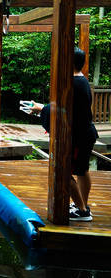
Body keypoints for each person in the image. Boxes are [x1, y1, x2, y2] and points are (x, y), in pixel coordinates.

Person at [30, 47, 98, 222]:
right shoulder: (82, 80)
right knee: (82, 170)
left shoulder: (71, 83)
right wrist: (44, 108)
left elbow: (59, 109)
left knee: (64, 170)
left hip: (77, 135)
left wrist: (41, 109)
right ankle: (83, 205)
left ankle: (82, 211)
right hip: (86, 132)